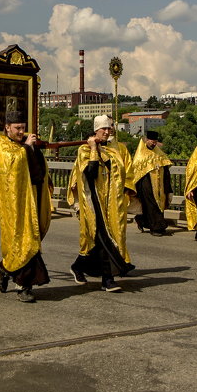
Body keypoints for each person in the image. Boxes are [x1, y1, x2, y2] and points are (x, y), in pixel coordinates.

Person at [68, 115, 135, 292]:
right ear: (95, 130)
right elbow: (89, 173)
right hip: (93, 201)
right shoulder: (84, 150)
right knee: (100, 238)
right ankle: (107, 279)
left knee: (106, 239)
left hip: (111, 202)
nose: (107, 132)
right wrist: (92, 149)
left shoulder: (113, 151)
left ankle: (78, 266)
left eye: (109, 128)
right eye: (103, 129)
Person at [0, 111, 51, 303]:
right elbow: (11, 163)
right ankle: (21, 286)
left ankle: (9, 272)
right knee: (19, 242)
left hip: (31, 199)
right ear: (7, 127)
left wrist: (34, 150)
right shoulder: (1, 144)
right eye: (17, 128)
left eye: (23, 128)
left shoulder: (24, 144)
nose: (21, 131)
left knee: (32, 242)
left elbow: (36, 170)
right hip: (13, 205)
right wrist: (26, 147)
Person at [129, 130, 173, 235]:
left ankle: (142, 220)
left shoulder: (159, 153)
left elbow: (165, 168)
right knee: (152, 205)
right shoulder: (141, 155)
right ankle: (156, 228)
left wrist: (167, 186)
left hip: (160, 184)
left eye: (155, 141)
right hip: (146, 185)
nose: (153, 143)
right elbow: (136, 171)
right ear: (146, 140)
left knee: (159, 204)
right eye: (151, 141)